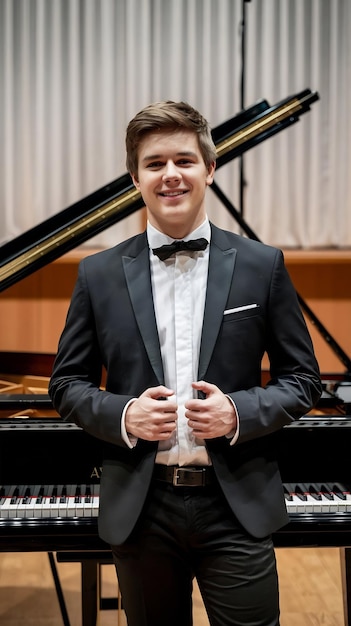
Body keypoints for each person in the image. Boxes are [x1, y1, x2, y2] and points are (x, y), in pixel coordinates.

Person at [49, 100, 322, 626]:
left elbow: (304, 379)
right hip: (141, 507)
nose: (170, 175)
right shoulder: (98, 274)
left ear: (210, 169)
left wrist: (237, 414)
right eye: (154, 164)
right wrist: (123, 415)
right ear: (136, 178)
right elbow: (66, 383)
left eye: (184, 160)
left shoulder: (263, 266)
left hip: (236, 503)